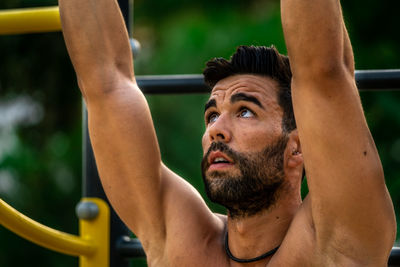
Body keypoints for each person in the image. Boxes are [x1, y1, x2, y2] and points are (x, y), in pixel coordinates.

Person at [59, 0, 396, 265]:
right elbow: (106, 84)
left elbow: (323, 72)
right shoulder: (180, 242)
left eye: (245, 111)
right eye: (211, 116)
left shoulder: (338, 239)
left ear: (298, 148)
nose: (217, 130)